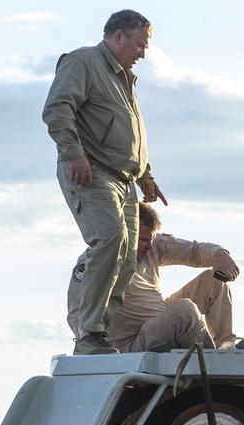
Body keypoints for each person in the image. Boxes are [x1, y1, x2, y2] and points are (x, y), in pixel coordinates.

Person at [44, 10, 167, 355]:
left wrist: (146, 175)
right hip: (91, 169)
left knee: (127, 258)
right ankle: (88, 335)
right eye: (140, 44)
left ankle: (100, 335)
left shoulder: (125, 79)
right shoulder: (84, 62)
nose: (143, 53)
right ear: (118, 36)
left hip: (124, 178)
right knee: (110, 238)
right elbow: (57, 109)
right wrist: (74, 155)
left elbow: (129, 134)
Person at [67, 203, 239, 352]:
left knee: (214, 281)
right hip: (130, 343)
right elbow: (76, 310)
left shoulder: (153, 244)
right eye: (142, 240)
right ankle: (212, 362)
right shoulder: (97, 260)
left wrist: (220, 254)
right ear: (127, 233)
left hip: (160, 320)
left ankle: (226, 348)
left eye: (151, 239)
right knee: (184, 311)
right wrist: (88, 344)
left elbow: (194, 251)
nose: (149, 246)